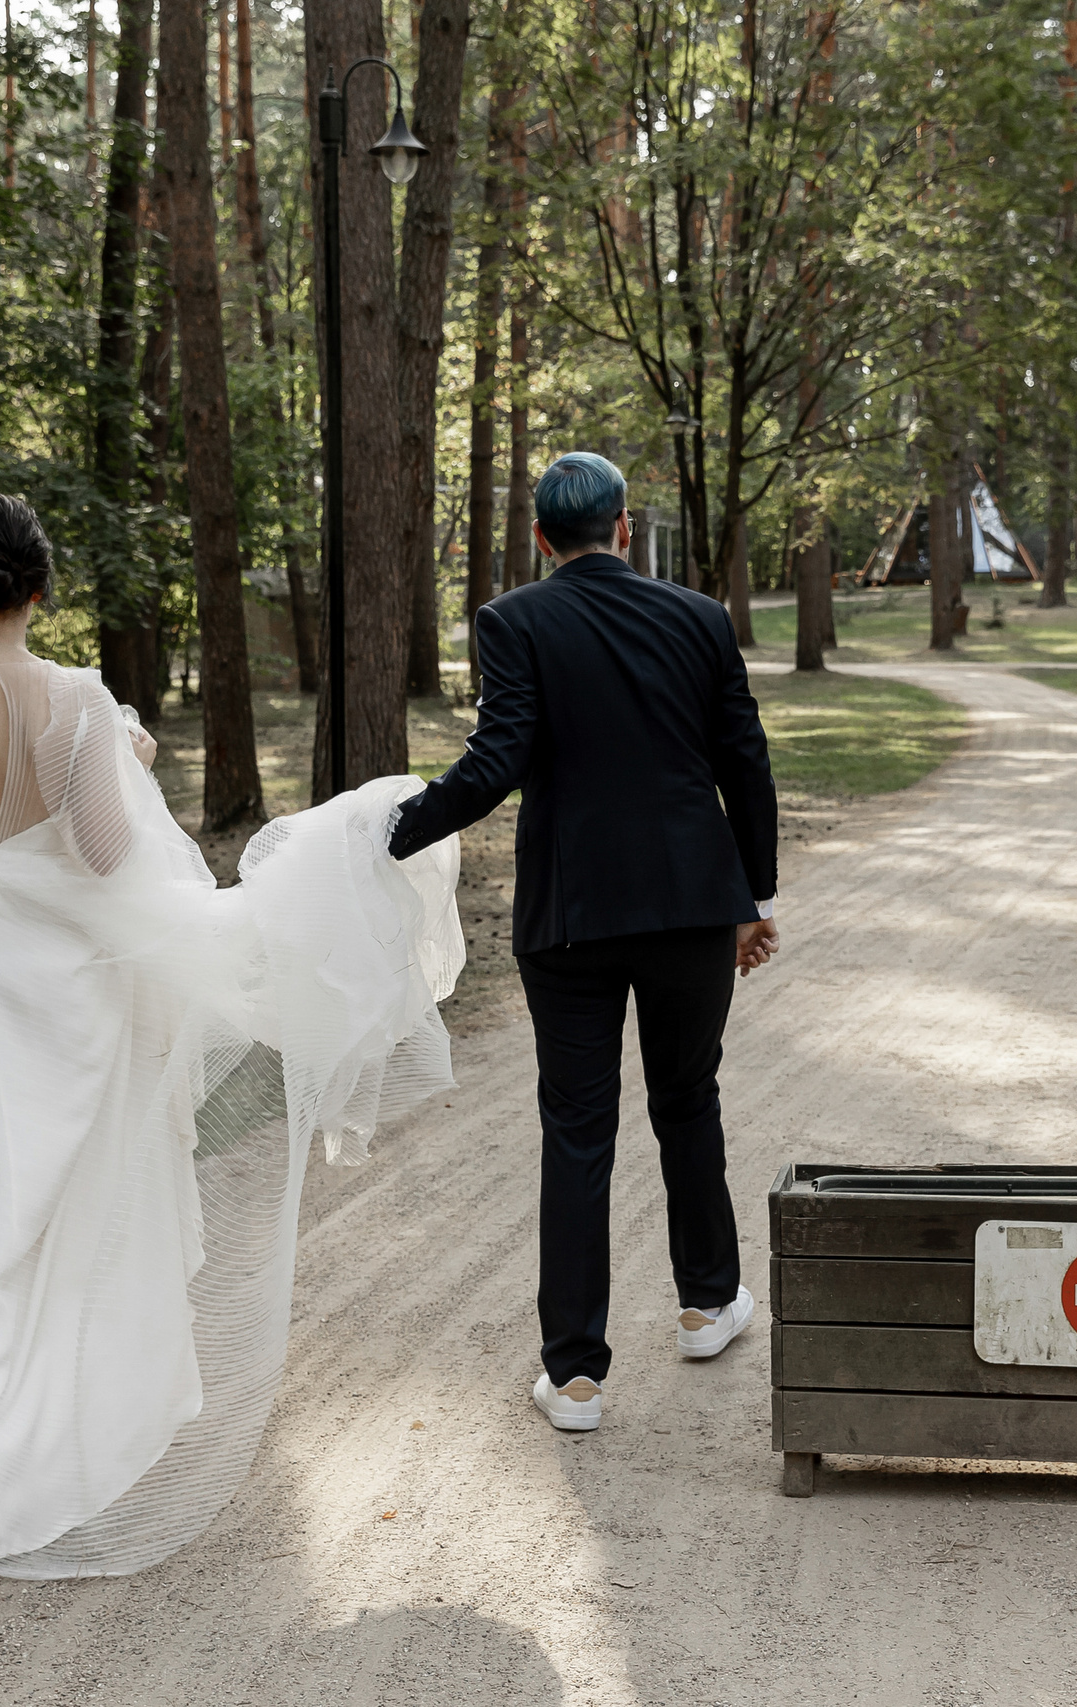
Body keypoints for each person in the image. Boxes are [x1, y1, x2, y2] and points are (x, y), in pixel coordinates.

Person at [0, 495, 463, 1578]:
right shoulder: (78, 703)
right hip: (58, 986)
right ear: (39, 591)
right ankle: (57, 1424)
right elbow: (96, 855)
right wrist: (119, 758)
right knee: (58, 1195)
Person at [386, 452, 780, 1433]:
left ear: (539, 538)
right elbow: (746, 760)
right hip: (692, 904)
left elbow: (496, 761)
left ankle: (574, 1377)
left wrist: (388, 834)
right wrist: (753, 896)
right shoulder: (699, 618)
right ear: (625, 526)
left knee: (576, 1129)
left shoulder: (514, 621)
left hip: (568, 917)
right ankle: (704, 1305)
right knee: (687, 1100)